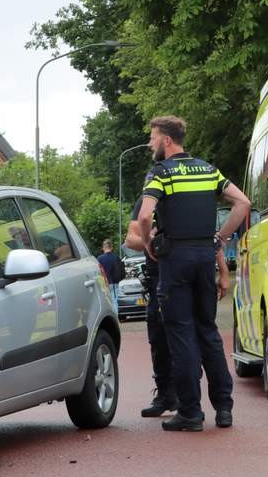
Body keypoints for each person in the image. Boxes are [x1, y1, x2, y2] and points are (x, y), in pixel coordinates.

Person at [133, 115, 249, 432]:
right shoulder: (208, 170)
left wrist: (148, 244)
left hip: (176, 260)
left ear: (167, 140)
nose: (150, 144)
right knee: (209, 333)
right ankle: (224, 408)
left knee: (181, 335)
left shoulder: (161, 173)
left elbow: (144, 216)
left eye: (153, 138)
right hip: (204, 258)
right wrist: (220, 240)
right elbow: (243, 203)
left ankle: (190, 412)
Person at [125, 185, 232, 420]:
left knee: (192, 338)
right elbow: (131, 238)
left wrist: (223, 272)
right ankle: (169, 395)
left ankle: (196, 407)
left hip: (178, 277)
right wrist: (149, 238)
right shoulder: (148, 201)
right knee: (160, 338)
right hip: (160, 277)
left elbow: (209, 239)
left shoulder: (188, 198)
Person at [95, 239, 125, 311]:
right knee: (114, 301)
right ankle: (115, 319)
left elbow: (98, 272)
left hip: (104, 284)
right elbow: (121, 270)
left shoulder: (99, 259)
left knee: (106, 303)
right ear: (111, 247)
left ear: (103, 248)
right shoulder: (116, 257)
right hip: (114, 283)